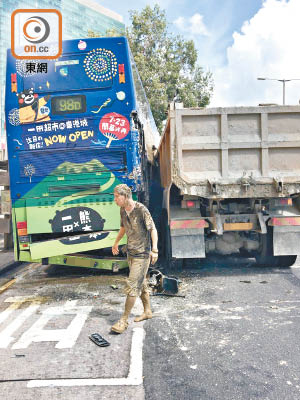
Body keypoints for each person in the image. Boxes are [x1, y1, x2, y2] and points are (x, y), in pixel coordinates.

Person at [111, 184, 158, 334]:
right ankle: (147, 311)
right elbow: (124, 228)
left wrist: (155, 250)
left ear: (125, 196)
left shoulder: (141, 210)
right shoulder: (122, 210)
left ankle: (123, 320)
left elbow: (153, 229)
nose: (115, 199)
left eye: (117, 196)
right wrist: (116, 242)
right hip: (130, 253)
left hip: (142, 255)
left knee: (132, 286)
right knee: (141, 282)